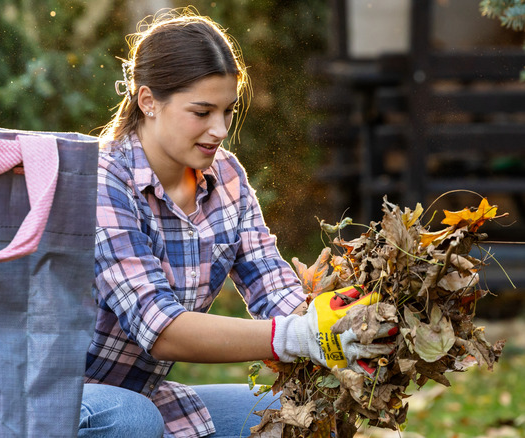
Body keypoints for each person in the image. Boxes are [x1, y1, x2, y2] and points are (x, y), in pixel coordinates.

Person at [79, 8, 396, 438]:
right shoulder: (101, 180)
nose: (220, 129)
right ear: (148, 100)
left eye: (227, 111)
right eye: (201, 111)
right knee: (132, 419)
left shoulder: (225, 176)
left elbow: (272, 287)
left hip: (145, 393)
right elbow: (160, 328)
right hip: (61, 397)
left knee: (298, 420)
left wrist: (338, 325)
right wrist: (293, 337)